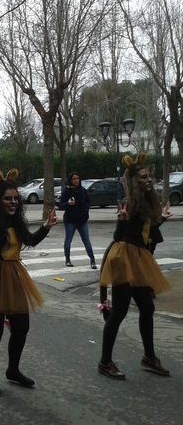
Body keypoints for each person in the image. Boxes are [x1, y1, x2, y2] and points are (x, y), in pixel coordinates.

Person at [0, 169, 57, 397]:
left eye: (16, 198)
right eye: (8, 198)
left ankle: (13, 370)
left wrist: (46, 226)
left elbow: (30, 240)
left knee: (21, 327)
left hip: (14, 276)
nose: (13, 202)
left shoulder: (16, 221)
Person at [98, 154, 172, 380]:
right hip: (124, 260)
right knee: (119, 312)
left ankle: (149, 356)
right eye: (143, 177)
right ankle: (105, 362)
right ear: (133, 181)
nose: (148, 180)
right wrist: (121, 221)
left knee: (147, 308)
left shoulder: (147, 202)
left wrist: (162, 218)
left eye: (149, 176)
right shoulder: (129, 203)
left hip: (139, 259)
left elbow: (146, 230)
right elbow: (118, 237)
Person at [58, 172, 96, 269]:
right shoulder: (67, 191)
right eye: (74, 179)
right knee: (68, 240)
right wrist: (68, 203)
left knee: (86, 240)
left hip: (82, 220)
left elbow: (88, 202)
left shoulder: (83, 190)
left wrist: (86, 210)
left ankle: (92, 259)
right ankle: (67, 259)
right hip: (70, 220)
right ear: (70, 180)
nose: (76, 180)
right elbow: (60, 205)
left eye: (77, 178)